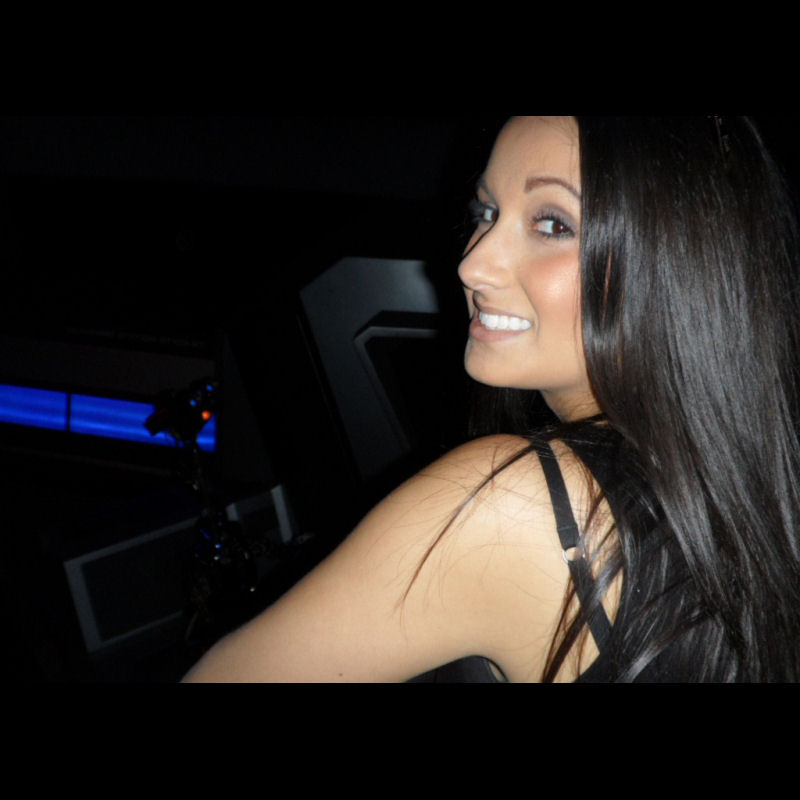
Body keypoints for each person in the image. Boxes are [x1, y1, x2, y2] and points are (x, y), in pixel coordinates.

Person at [183, 116, 800, 683]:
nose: (472, 265)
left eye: (552, 224)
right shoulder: (751, 490)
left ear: (677, 264)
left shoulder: (517, 505)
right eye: (486, 212)